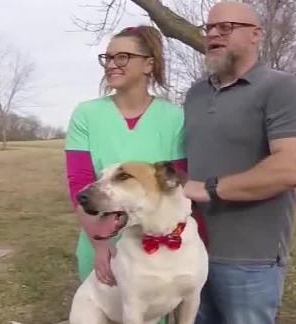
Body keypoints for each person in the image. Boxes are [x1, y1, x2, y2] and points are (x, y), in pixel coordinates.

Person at [182, 2, 296, 324]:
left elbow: (293, 168)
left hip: (250, 261)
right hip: (190, 252)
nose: (213, 34)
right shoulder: (195, 95)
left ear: (256, 35)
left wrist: (210, 189)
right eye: (209, 28)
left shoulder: (283, 89)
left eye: (226, 27)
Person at [64, 25, 207, 296]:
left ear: (148, 64)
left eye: (122, 57)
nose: (112, 65)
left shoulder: (174, 118)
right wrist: (100, 242)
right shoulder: (86, 115)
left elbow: (176, 187)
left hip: (159, 253)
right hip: (102, 242)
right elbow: (79, 185)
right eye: (107, 58)